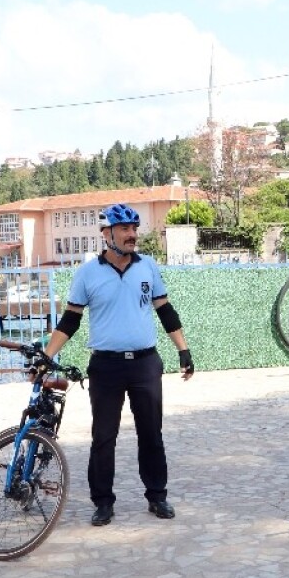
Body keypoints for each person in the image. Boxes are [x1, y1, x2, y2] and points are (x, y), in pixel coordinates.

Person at [42, 204, 194, 527]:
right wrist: (47, 356)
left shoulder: (148, 267)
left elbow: (166, 312)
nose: (132, 235)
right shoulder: (87, 274)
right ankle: (103, 502)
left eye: (134, 229)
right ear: (106, 234)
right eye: (124, 229)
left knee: (151, 433)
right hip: (106, 367)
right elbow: (70, 321)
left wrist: (183, 349)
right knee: (103, 437)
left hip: (145, 364)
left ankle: (157, 495)